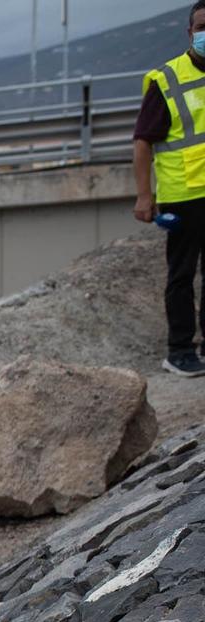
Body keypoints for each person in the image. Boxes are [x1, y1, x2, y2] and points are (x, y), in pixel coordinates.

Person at [134, 2, 205, 378]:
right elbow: (143, 142)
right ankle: (179, 350)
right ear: (189, 32)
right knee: (181, 275)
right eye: (201, 26)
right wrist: (145, 196)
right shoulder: (167, 80)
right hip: (181, 196)